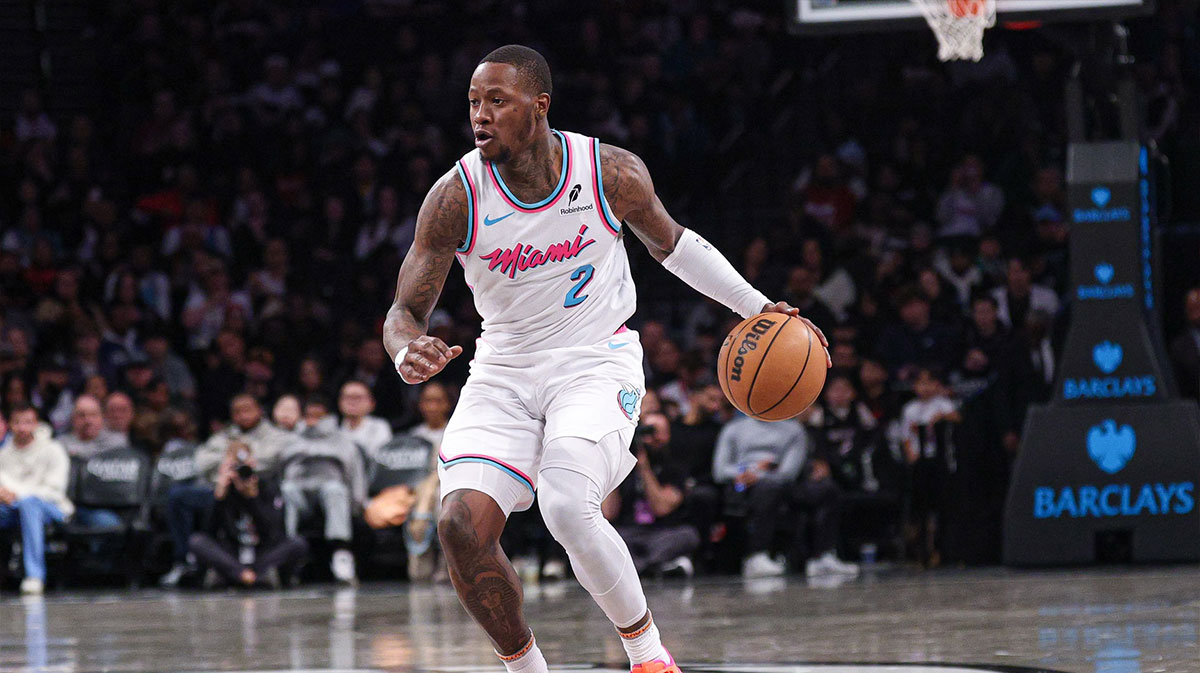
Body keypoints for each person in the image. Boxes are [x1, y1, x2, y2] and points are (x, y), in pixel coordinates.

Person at [381, 45, 828, 673]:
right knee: (458, 523)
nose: (480, 116)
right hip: (504, 370)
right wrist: (405, 349)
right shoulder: (455, 196)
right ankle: (527, 669)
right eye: (474, 103)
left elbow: (674, 246)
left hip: (596, 360)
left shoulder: (606, 172)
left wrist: (759, 307)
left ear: (539, 106)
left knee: (566, 503)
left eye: (497, 102)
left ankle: (648, 657)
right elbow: (404, 311)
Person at [161, 394, 288, 587]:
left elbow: (273, 459)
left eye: (248, 409)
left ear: (259, 411)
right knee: (179, 496)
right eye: (238, 411)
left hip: (259, 488)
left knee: (295, 541)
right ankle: (185, 561)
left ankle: (242, 570)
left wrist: (242, 462)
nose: (243, 415)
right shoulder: (223, 435)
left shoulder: (273, 435)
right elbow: (201, 461)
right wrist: (228, 467)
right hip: (223, 489)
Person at [188, 440, 308, 589]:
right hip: (232, 554)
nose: (240, 472)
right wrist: (219, 497)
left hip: (262, 554)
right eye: (234, 467)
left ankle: (236, 576)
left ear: (253, 464)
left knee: (297, 543)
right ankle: (248, 576)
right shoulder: (221, 491)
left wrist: (253, 498)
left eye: (243, 466)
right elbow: (209, 532)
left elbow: (274, 532)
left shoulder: (267, 487)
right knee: (196, 541)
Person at [279, 396, 366, 585]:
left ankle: (341, 554)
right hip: (300, 495)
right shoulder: (291, 440)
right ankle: (288, 553)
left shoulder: (342, 441)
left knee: (335, 490)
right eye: (309, 415)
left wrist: (357, 504)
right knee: (287, 489)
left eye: (318, 416)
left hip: (330, 495)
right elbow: (281, 472)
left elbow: (355, 475)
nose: (313, 420)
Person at [712, 410, 809, 578]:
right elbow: (720, 470)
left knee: (825, 490)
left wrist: (756, 475)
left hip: (781, 486)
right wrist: (750, 471)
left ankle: (823, 556)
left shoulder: (794, 429)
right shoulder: (733, 428)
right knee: (763, 488)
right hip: (740, 485)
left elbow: (788, 472)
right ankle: (756, 555)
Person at [604, 412, 699, 577]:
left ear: (668, 436)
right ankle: (660, 566)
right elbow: (608, 513)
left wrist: (645, 468)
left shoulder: (675, 468)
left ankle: (641, 567)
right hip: (629, 531)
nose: (653, 439)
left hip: (662, 532)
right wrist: (616, 469)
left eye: (658, 433)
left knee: (688, 535)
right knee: (607, 539)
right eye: (648, 433)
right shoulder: (624, 467)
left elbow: (661, 508)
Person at [0, 406, 73, 595]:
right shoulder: (3, 455)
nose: (22, 427)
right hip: (12, 509)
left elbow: (55, 491)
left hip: (53, 508)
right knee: (22, 505)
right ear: (9, 425)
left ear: (36, 424)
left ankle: (35, 575)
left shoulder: (53, 449)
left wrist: (16, 494)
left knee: (29, 503)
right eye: (17, 422)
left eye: (27, 422)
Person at [338, 380, 393, 456]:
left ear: (371, 403)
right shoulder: (332, 427)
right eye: (348, 397)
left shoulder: (379, 427)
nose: (352, 402)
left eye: (358, 398)